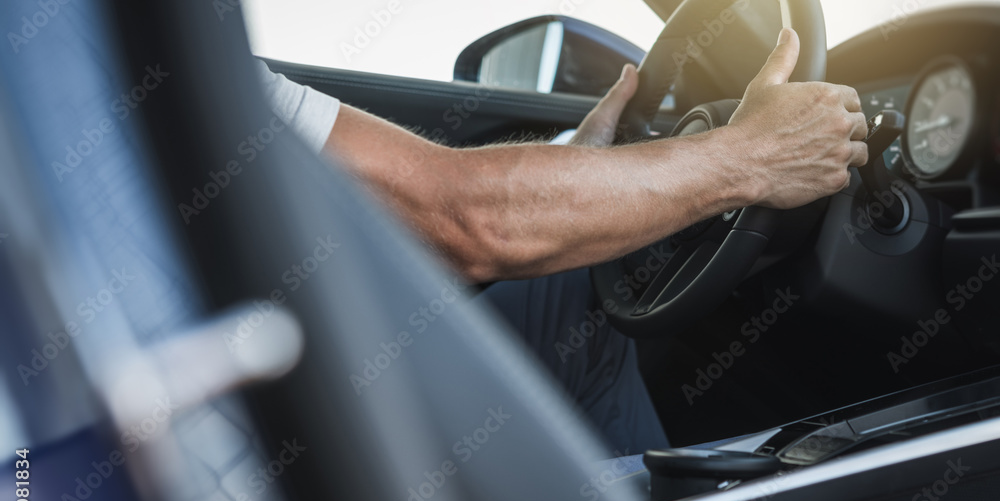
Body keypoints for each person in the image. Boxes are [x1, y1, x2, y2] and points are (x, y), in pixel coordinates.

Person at [257, 28, 869, 454]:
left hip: (307, 361)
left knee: (570, 290)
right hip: (292, 427)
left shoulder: (202, 76)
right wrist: (752, 156)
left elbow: (419, 219)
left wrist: (580, 172)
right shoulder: (187, 74)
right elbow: (466, 220)